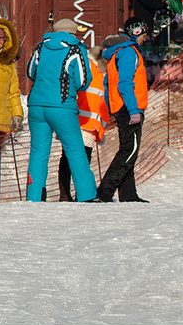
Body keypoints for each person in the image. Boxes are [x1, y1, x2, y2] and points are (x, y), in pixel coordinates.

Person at [26, 18, 96, 202]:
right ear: (73, 33)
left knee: (38, 152)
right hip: (62, 106)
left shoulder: (41, 46)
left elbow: (30, 72)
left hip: (36, 105)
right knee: (75, 150)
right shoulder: (75, 48)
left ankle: (35, 196)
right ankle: (87, 195)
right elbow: (83, 81)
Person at [94, 18, 150, 203]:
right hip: (129, 108)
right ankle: (104, 193)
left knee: (129, 149)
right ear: (136, 33)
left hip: (123, 107)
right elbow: (125, 83)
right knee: (129, 150)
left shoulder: (117, 53)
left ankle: (128, 194)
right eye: (144, 34)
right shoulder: (129, 52)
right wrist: (133, 110)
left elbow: (107, 82)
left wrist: (111, 108)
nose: (145, 38)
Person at [58, 46, 110, 202]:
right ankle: (80, 194)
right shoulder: (91, 68)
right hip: (83, 122)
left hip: (82, 121)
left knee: (69, 158)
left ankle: (67, 194)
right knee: (80, 159)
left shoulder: (95, 69)